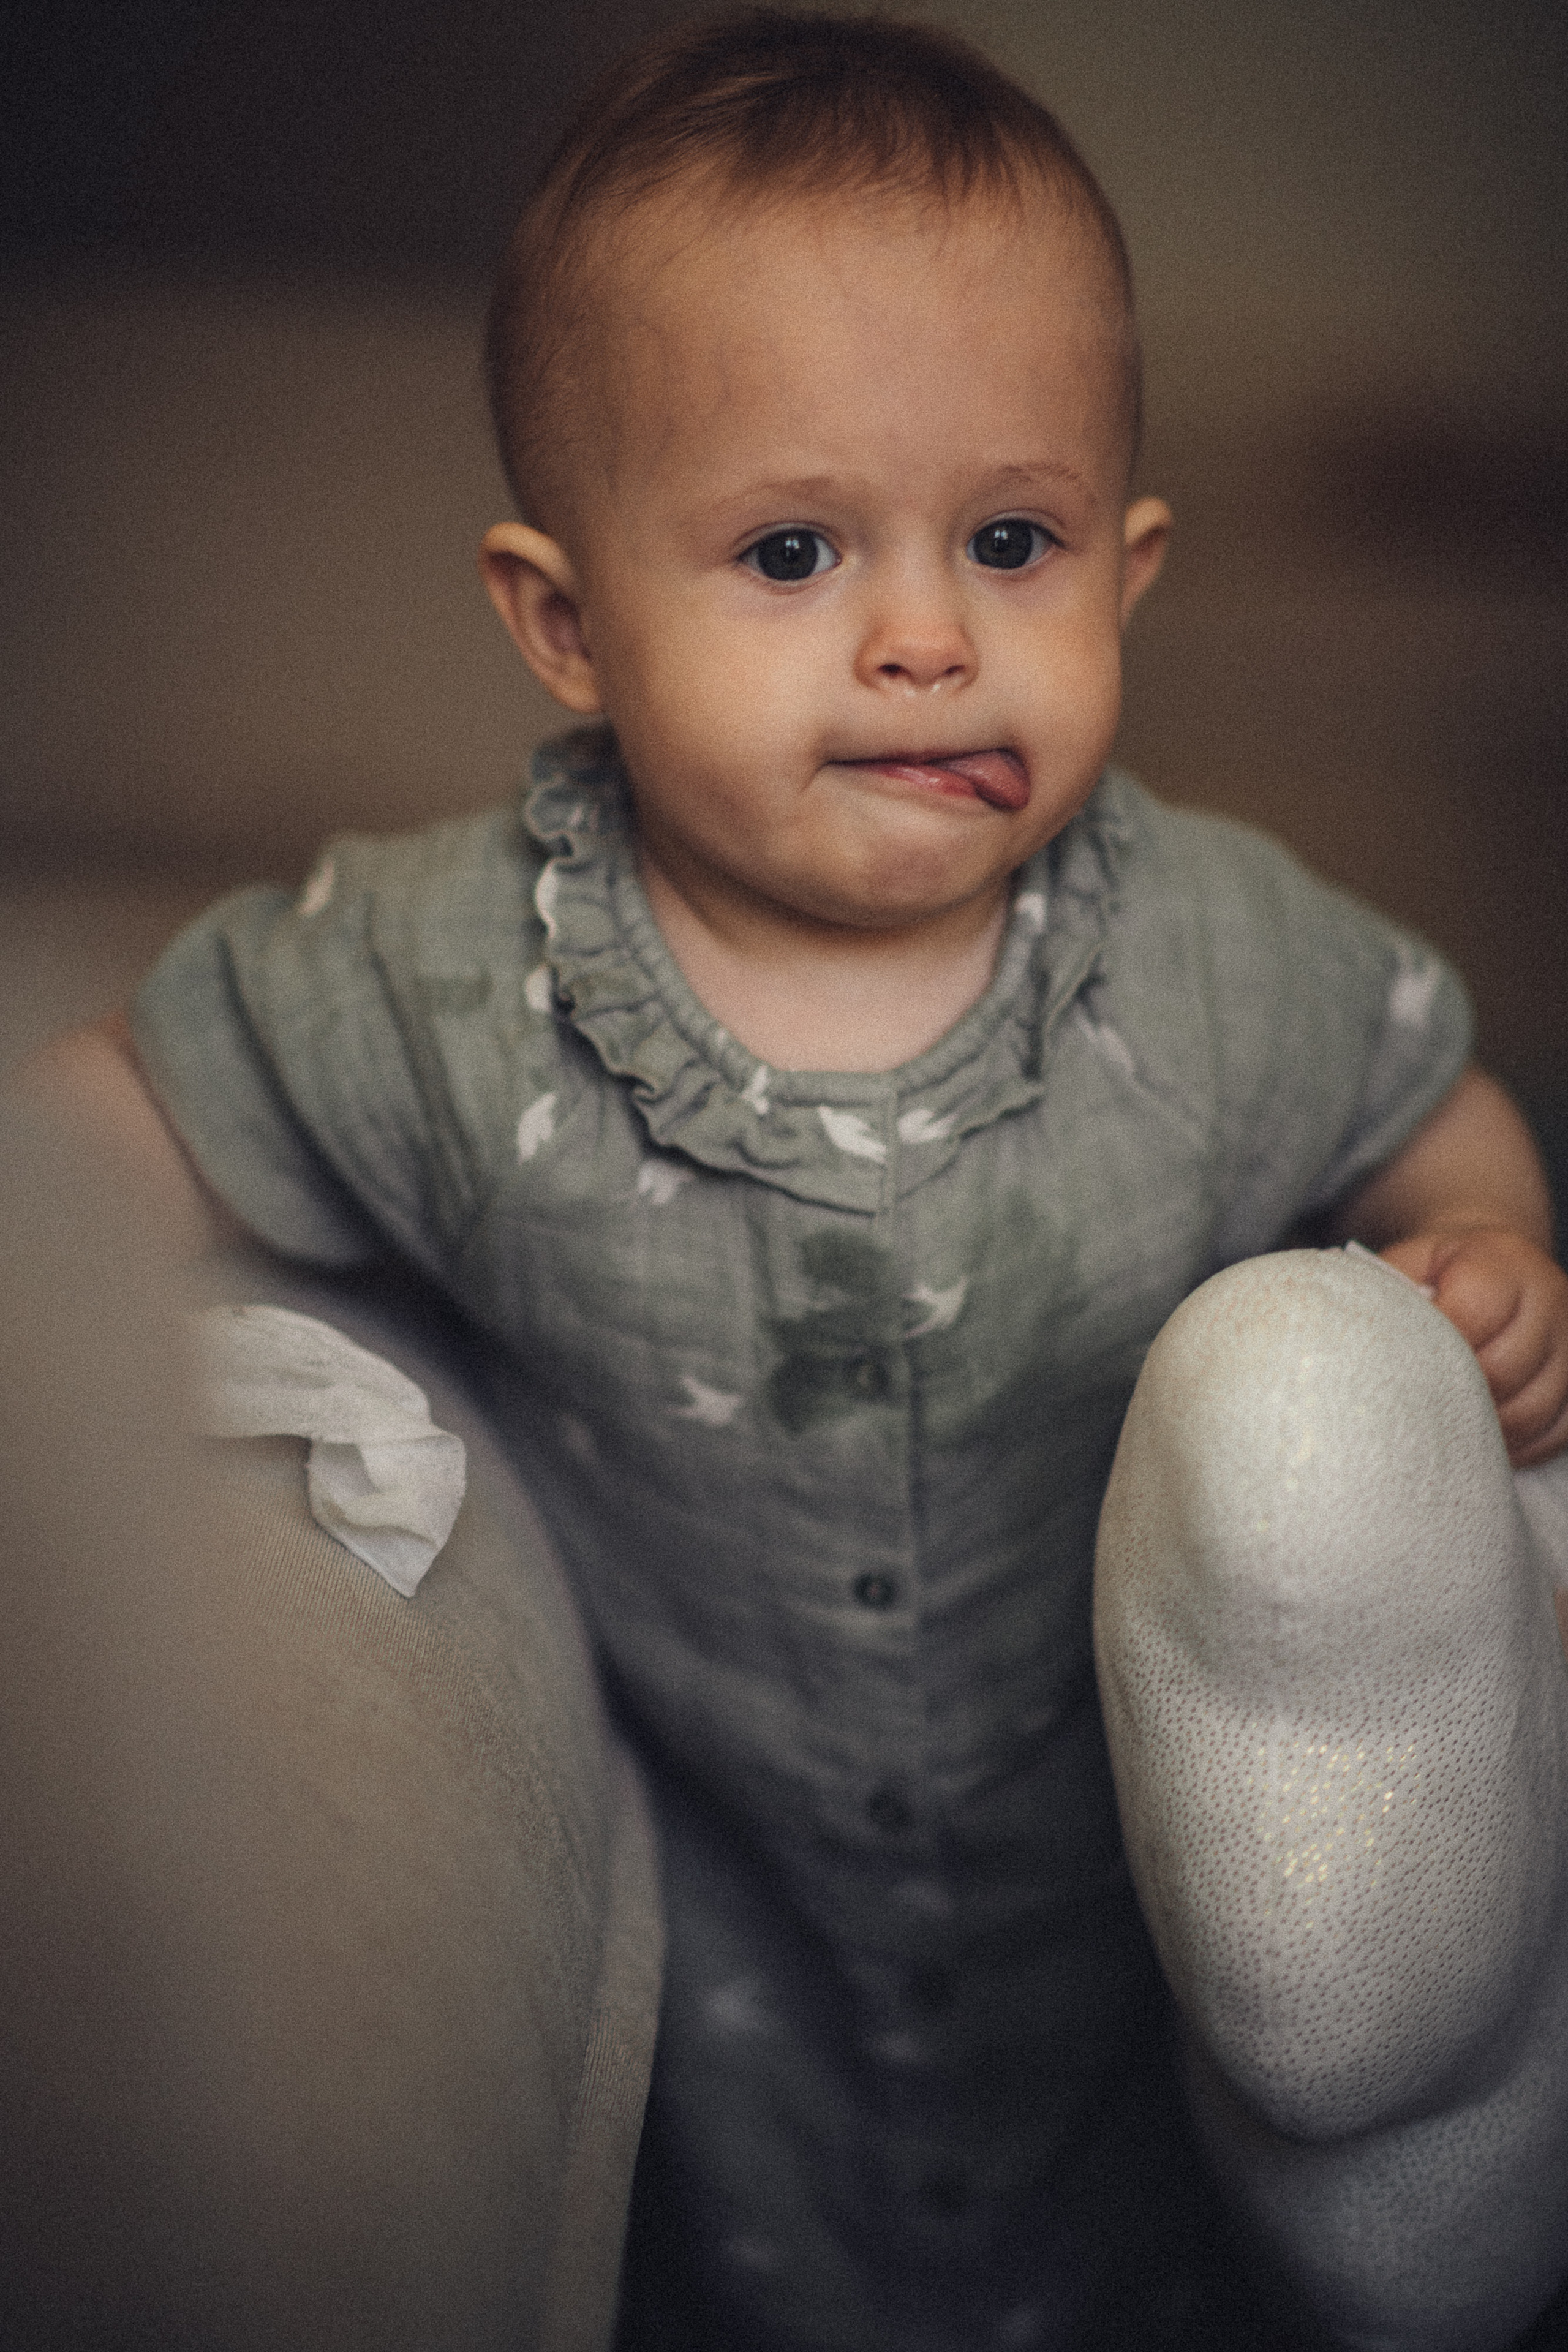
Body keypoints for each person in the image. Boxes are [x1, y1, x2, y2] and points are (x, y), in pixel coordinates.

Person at [32, 12, 1568, 2348]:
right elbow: (124, 1122)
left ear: (1130, 574)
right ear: (566, 624)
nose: (931, 635)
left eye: (1016, 540)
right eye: (787, 549)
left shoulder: (1218, 949)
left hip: (1165, 1929)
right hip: (733, 2006)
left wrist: (1493, 1254)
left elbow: (1427, 1096)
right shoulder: (448, 982)